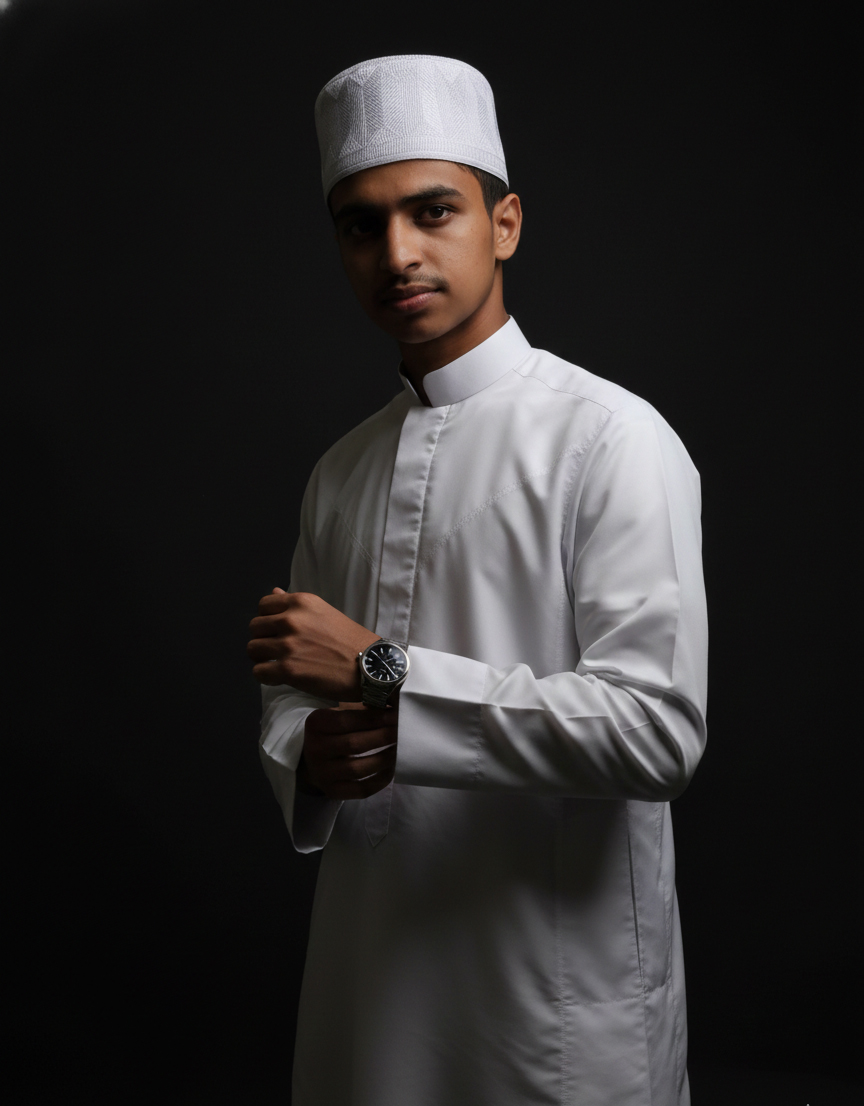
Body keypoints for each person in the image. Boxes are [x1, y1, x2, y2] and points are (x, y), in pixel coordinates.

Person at [247, 54, 707, 1106]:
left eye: (432, 210)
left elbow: (657, 730)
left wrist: (380, 670)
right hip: (369, 984)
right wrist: (309, 756)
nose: (397, 253)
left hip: (552, 998)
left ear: (503, 223)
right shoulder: (342, 469)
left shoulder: (610, 439)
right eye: (362, 225)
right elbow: (296, 701)